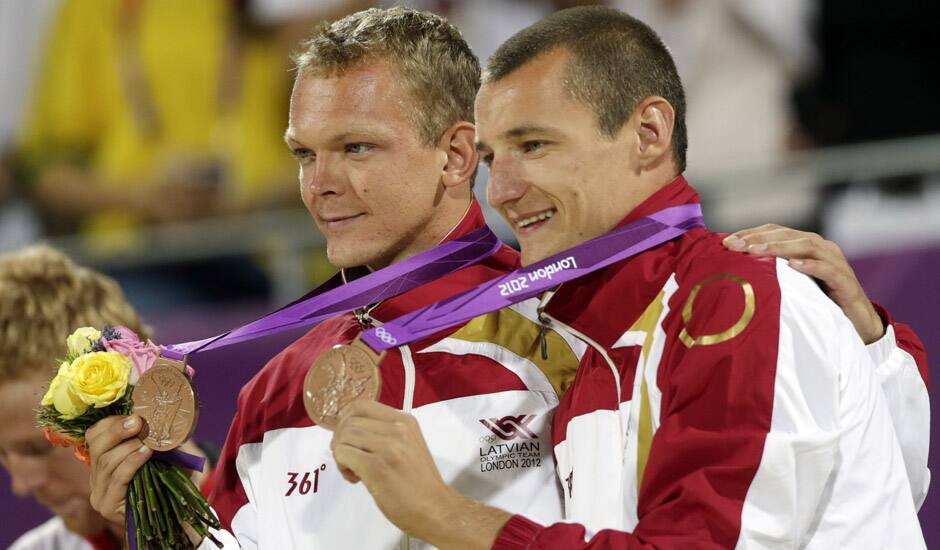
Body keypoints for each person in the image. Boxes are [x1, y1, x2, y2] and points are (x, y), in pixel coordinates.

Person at [85, 7, 928, 550]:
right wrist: (160, 527)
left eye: (535, 146)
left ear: (646, 134)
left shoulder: (685, 308)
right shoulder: (589, 333)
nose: (505, 187)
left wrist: (449, 518)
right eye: (305, 154)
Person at [0, 245, 212, 550]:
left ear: (138, 403)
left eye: (38, 448)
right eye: (2, 454)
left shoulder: (272, 510)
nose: (21, 485)